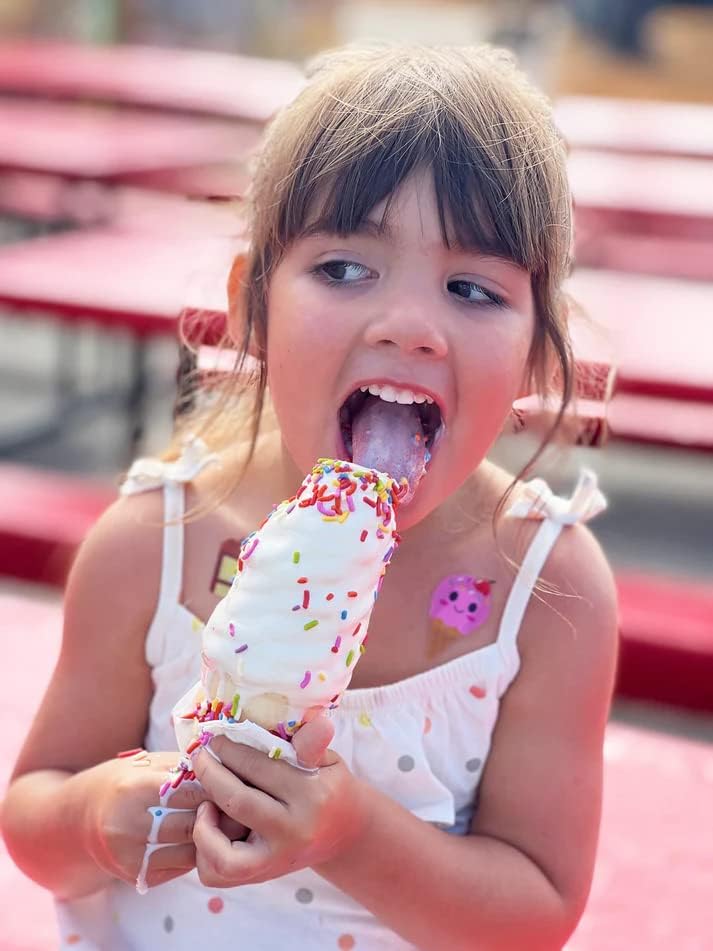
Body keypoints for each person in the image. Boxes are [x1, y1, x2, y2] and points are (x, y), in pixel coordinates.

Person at [1, 43, 618, 951]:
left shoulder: (545, 588)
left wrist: (351, 833)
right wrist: (98, 816)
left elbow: (535, 914)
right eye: (342, 268)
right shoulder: (152, 543)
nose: (409, 326)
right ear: (251, 307)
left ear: (534, 354)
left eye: (471, 288)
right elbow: (34, 820)